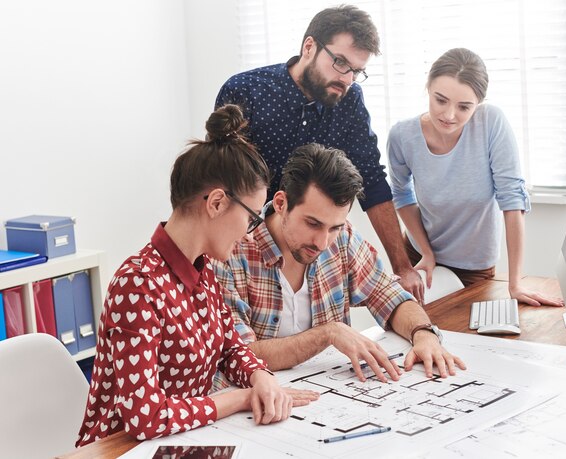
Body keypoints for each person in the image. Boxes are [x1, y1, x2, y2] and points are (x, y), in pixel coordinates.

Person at [76, 105, 317, 447]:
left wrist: (258, 375)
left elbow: (231, 347)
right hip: (120, 450)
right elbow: (146, 417)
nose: (251, 234)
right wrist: (241, 398)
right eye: (250, 219)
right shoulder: (137, 285)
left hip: (181, 442)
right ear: (217, 203)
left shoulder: (204, 272)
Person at [214, 5, 424, 302]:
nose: (347, 79)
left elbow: (372, 181)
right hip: (245, 254)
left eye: (356, 71)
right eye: (340, 62)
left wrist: (402, 267)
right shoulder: (247, 90)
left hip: (314, 250)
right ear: (309, 47)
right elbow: (220, 185)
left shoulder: (350, 101)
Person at [212, 143, 465, 386]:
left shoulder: (342, 239)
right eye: (312, 224)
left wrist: (424, 334)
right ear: (281, 204)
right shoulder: (230, 253)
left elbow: (388, 294)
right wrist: (328, 333)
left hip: (332, 397)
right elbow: (239, 354)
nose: (323, 242)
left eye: (334, 227)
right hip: (260, 404)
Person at [387, 48, 563, 307]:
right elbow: (401, 194)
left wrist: (515, 283)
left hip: (474, 265)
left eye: (464, 107)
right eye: (440, 100)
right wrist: (425, 250)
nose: (448, 115)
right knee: (412, 329)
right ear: (428, 88)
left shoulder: (491, 123)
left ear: (478, 104)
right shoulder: (402, 136)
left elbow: (512, 198)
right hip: (419, 254)